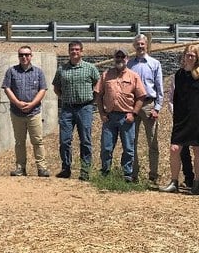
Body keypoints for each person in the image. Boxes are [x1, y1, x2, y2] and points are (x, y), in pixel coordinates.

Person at [160, 45, 199, 195]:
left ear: (197, 57)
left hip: (198, 118)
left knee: (197, 149)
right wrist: (175, 116)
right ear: (183, 56)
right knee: (174, 149)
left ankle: (197, 183)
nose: (189, 57)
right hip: (181, 119)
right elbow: (176, 98)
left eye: (192, 55)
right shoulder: (179, 75)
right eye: (187, 55)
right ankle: (174, 181)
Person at [96, 47, 147, 182]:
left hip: (126, 118)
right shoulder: (106, 75)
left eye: (122, 57)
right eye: (117, 57)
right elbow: (98, 94)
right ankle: (105, 173)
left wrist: (134, 113)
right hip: (109, 117)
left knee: (128, 148)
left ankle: (127, 175)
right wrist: (101, 113)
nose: (119, 59)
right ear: (114, 59)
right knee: (106, 147)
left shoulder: (133, 76)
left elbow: (141, 96)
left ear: (127, 59)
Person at [53, 40, 100, 181]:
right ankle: (66, 168)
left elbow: (98, 82)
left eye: (77, 49)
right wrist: (64, 97)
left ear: (82, 51)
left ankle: (85, 171)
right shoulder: (62, 69)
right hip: (67, 109)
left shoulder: (90, 68)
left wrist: (94, 98)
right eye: (72, 49)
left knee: (85, 140)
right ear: (68, 52)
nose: (75, 52)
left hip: (85, 108)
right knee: (64, 140)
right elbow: (56, 87)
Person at [2, 45, 51, 177]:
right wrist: (17, 103)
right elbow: (7, 88)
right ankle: (20, 168)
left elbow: (43, 89)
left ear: (31, 56)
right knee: (19, 141)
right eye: (21, 55)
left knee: (37, 140)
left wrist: (32, 104)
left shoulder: (38, 72)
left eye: (27, 54)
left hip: (34, 112)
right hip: (17, 112)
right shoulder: (11, 71)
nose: (24, 57)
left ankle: (42, 168)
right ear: (18, 56)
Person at [126, 34, 164, 183]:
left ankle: (153, 175)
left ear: (146, 45)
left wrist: (157, 108)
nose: (140, 47)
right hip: (132, 105)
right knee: (131, 141)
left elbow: (160, 87)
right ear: (134, 46)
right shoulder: (129, 64)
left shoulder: (154, 64)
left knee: (152, 141)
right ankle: (133, 174)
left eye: (142, 44)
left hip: (149, 105)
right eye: (138, 44)